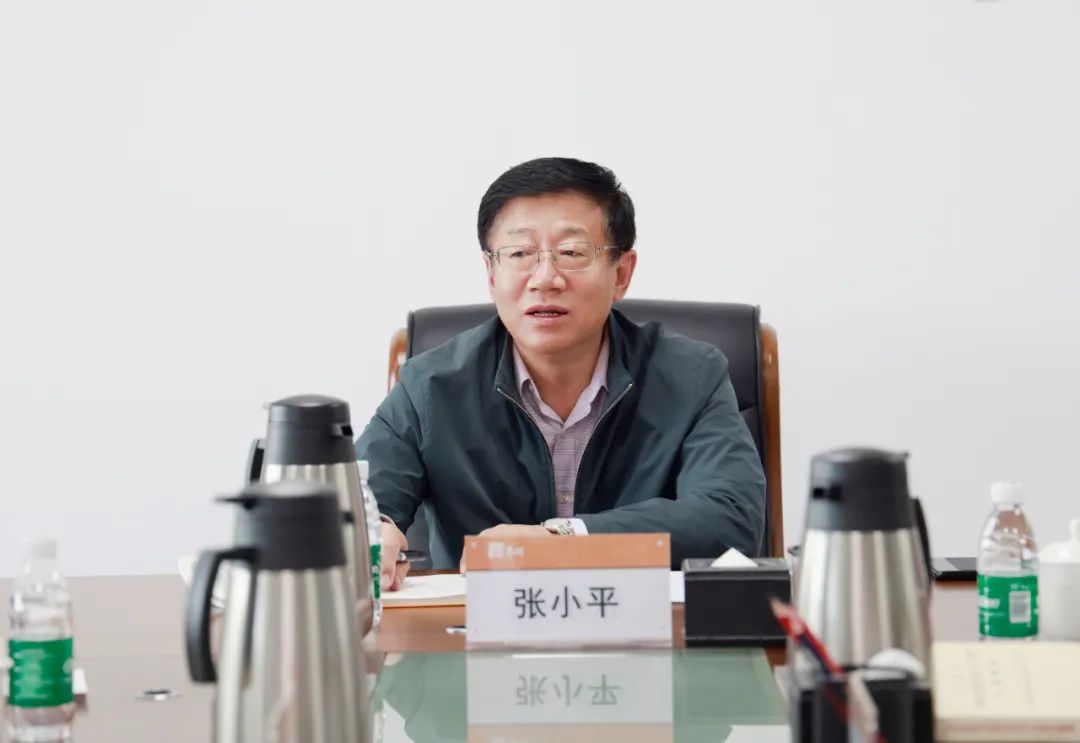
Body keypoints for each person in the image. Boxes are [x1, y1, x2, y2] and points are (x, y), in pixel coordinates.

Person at [357, 157, 765, 591]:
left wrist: (562, 539)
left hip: (641, 624)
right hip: (474, 627)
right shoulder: (430, 386)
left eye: (571, 253)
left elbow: (730, 518)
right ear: (491, 273)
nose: (545, 279)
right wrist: (376, 531)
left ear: (621, 273)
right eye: (520, 254)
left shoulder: (690, 376)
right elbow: (356, 508)